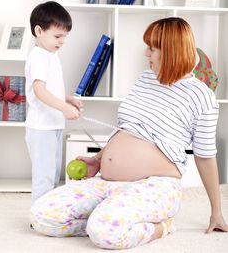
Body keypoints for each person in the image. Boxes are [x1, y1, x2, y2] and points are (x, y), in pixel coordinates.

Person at [29, 17, 228, 249]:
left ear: (171, 51)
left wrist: (216, 211)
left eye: (152, 48)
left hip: (155, 185)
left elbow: (205, 156)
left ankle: (161, 226)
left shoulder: (201, 96)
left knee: (104, 233)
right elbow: (127, 129)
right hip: (109, 181)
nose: (146, 53)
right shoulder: (146, 78)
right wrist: (98, 159)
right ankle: (108, 219)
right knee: (41, 216)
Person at [25, 1, 82, 203]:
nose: (62, 41)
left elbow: (51, 88)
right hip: (42, 127)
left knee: (54, 171)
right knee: (45, 174)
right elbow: (39, 91)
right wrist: (64, 107)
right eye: (57, 36)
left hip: (54, 124)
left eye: (65, 37)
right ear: (39, 31)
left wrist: (68, 99)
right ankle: (39, 216)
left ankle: (48, 210)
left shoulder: (51, 55)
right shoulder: (39, 57)